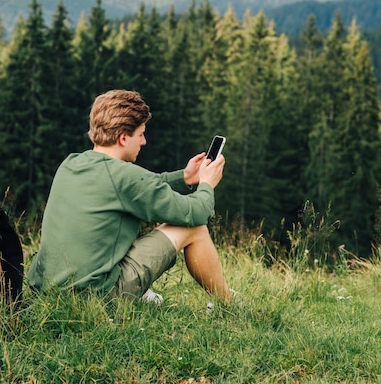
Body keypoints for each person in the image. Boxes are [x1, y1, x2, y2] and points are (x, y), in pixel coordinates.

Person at [27, 89, 230, 305]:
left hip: (45, 290)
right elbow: (196, 213)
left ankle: (141, 293)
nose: (144, 141)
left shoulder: (71, 163)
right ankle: (226, 303)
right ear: (124, 138)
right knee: (193, 228)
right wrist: (207, 184)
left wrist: (185, 177)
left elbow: (139, 187)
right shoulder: (126, 177)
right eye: (141, 134)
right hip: (96, 296)